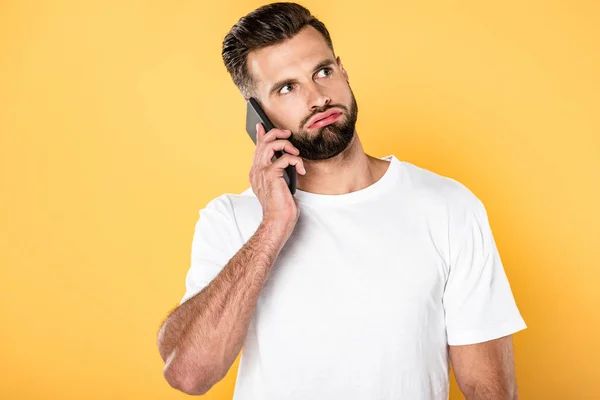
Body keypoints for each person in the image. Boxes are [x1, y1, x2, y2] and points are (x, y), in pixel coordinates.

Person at [157, 2, 527, 399]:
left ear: (343, 71)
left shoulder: (449, 207)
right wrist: (273, 226)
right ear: (258, 115)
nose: (317, 98)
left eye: (323, 72)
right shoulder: (230, 219)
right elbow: (189, 374)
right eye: (287, 87)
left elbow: (488, 389)